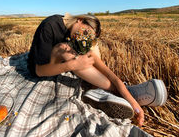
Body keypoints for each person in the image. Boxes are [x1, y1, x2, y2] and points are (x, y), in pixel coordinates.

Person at [27, 13, 167, 127]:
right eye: (86, 32)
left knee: (88, 51)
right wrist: (73, 65)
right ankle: (121, 92)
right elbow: (38, 70)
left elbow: (112, 77)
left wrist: (135, 105)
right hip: (41, 67)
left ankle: (106, 90)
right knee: (66, 51)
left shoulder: (81, 40)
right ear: (80, 20)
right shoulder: (50, 25)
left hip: (67, 59)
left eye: (88, 37)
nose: (84, 38)